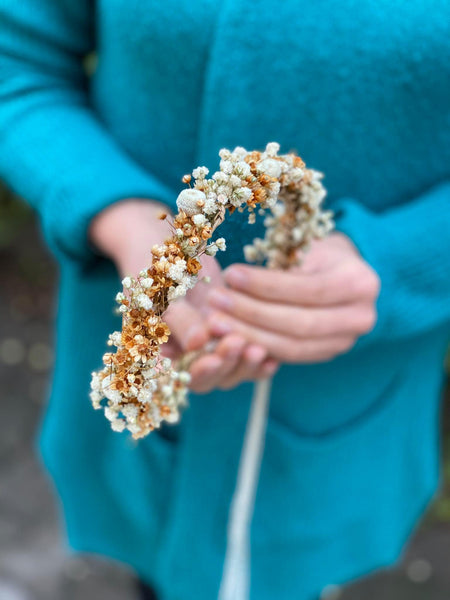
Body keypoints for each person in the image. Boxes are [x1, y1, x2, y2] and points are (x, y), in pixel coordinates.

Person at [0, 2, 449, 599]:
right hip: (142, 374)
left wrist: (407, 258)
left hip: (352, 406)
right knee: (153, 568)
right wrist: (124, 216)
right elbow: (18, 64)